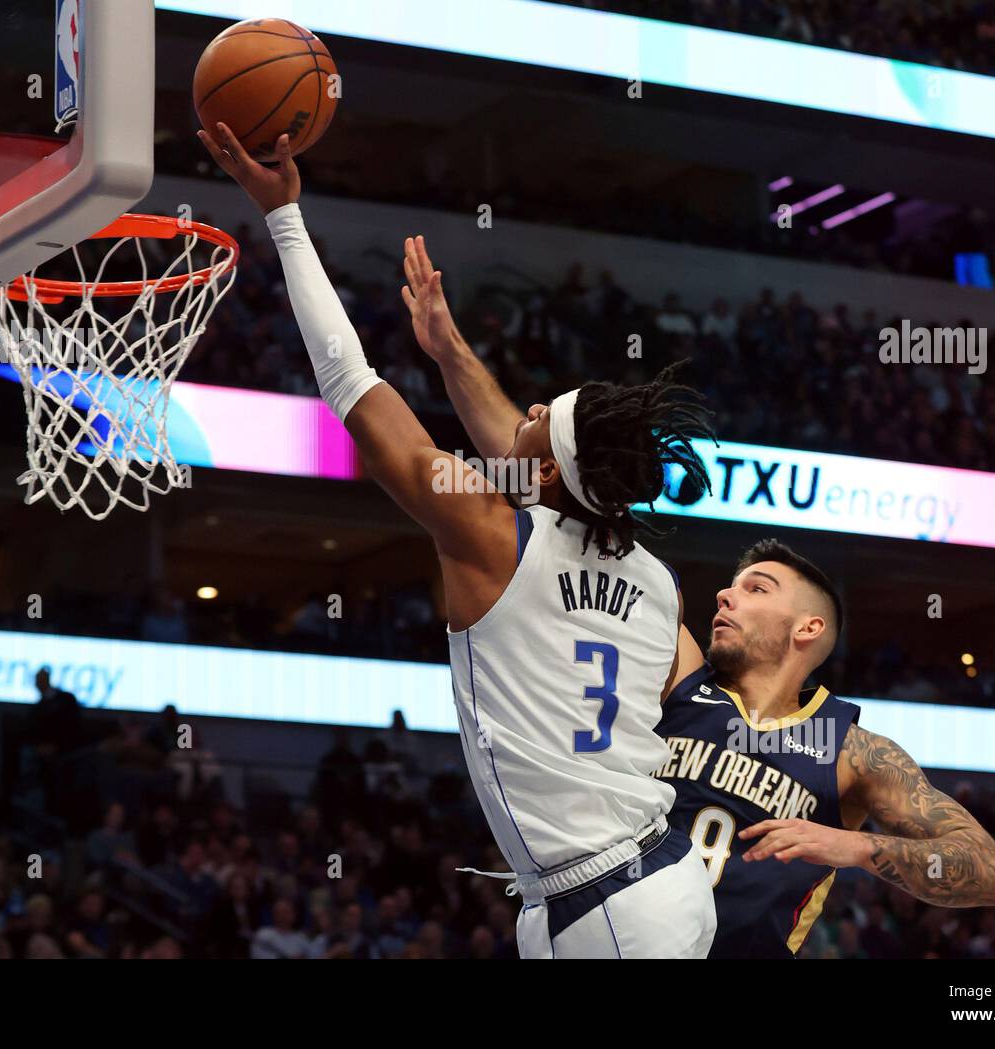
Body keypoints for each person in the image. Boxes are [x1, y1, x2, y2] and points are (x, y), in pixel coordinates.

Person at [199, 123, 717, 959]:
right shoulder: (656, 579)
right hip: (647, 881)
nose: (529, 412)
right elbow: (532, 462)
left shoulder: (489, 534)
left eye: (542, 418)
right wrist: (447, 350)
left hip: (610, 903)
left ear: (546, 475)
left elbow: (351, 384)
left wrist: (285, 218)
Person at [657, 538, 995, 957]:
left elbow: (991, 874)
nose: (724, 595)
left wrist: (855, 847)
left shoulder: (853, 753)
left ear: (808, 628)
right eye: (731, 586)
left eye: (756, 588)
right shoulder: (681, 681)